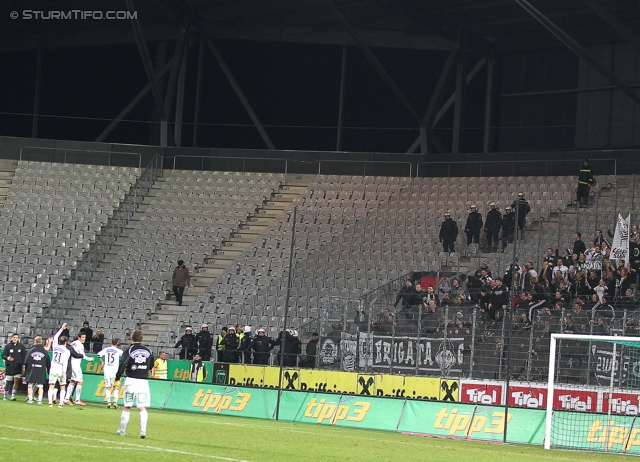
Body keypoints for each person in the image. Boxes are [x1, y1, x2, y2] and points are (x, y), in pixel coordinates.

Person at [116, 330, 154, 439]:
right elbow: (151, 364)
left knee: (127, 406)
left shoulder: (129, 349)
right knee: (142, 407)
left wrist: (118, 376)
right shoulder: (148, 350)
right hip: (143, 382)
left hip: (131, 380)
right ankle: (143, 431)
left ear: (131, 338)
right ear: (142, 339)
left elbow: (123, 363)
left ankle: (122, 431)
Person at [65, 331, 94, 406]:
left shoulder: (74, 342)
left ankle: (67, 398)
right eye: (83, 337)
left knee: (73, 381)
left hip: (72, 363)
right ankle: (76, 399)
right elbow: (83, 355)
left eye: (85, 337)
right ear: (79, 337)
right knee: (80, 381)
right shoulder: (80, 345)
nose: (84, 339)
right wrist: (90, 359)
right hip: (76, 365)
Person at [23, 335, 51, 404]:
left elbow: (25, 361)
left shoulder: (30, 350)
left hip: (32, 370)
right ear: (41, 341)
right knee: (40, 386)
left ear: (34, 341)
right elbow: (48, 363)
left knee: (30, 385)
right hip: (41, 370)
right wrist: (49, 371)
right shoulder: (44, 351)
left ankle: (30, 399)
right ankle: (39, 400)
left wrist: (26, 371)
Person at [48, 323, 72, 407]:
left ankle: (50, 402)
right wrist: (64, 372)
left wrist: (61, 329)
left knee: (51, 385)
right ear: (66, 342)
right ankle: (61, 403)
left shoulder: (55, 346)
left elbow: (55, 337)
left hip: (53, 368)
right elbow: (65, 362)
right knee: (62, 386)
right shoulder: (67, 351)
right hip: (60, 368)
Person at [97, 338, 124, 409]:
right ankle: (115, 402)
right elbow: (124, 356)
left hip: (106, 370)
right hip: (114, 371)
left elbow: (98, 355)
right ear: (117, 343)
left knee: (108, 387)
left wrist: (102, 362)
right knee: (115, 387)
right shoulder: (118, 351)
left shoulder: (106, 349)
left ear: (110, 342)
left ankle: (108, 402)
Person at [2, 333, 26, 401]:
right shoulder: (7, 346)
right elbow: (3, 355)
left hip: (18, 367)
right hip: (10, 367)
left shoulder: (21, 346)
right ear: (12, 338)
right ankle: (5, 395)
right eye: (14, 337)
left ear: (18, 339)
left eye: (17, 337)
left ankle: (13, 395)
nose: (15, 339)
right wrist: (7, 358)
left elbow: (24, 356)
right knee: (8, 381)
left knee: (16, 380)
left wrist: (23, 365)